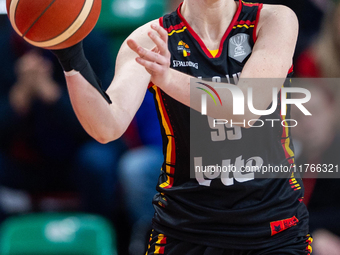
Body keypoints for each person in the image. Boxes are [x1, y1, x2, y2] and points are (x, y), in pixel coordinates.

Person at [51, 0, 311, 254]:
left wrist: (167, 77)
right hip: (188, 225)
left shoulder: (273, 19)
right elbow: (106, 127)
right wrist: (70, 57)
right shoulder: (151, 38)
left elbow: (247, 107)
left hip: (275, 227)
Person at [0, 15, 125, 223]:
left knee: (96, 161)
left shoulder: (91, 42)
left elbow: (104, 124)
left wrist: (51, 94)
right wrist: (20, 97)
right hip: (28, 159)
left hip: (80, 152)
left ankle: (105, 236)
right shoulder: (5, 46)